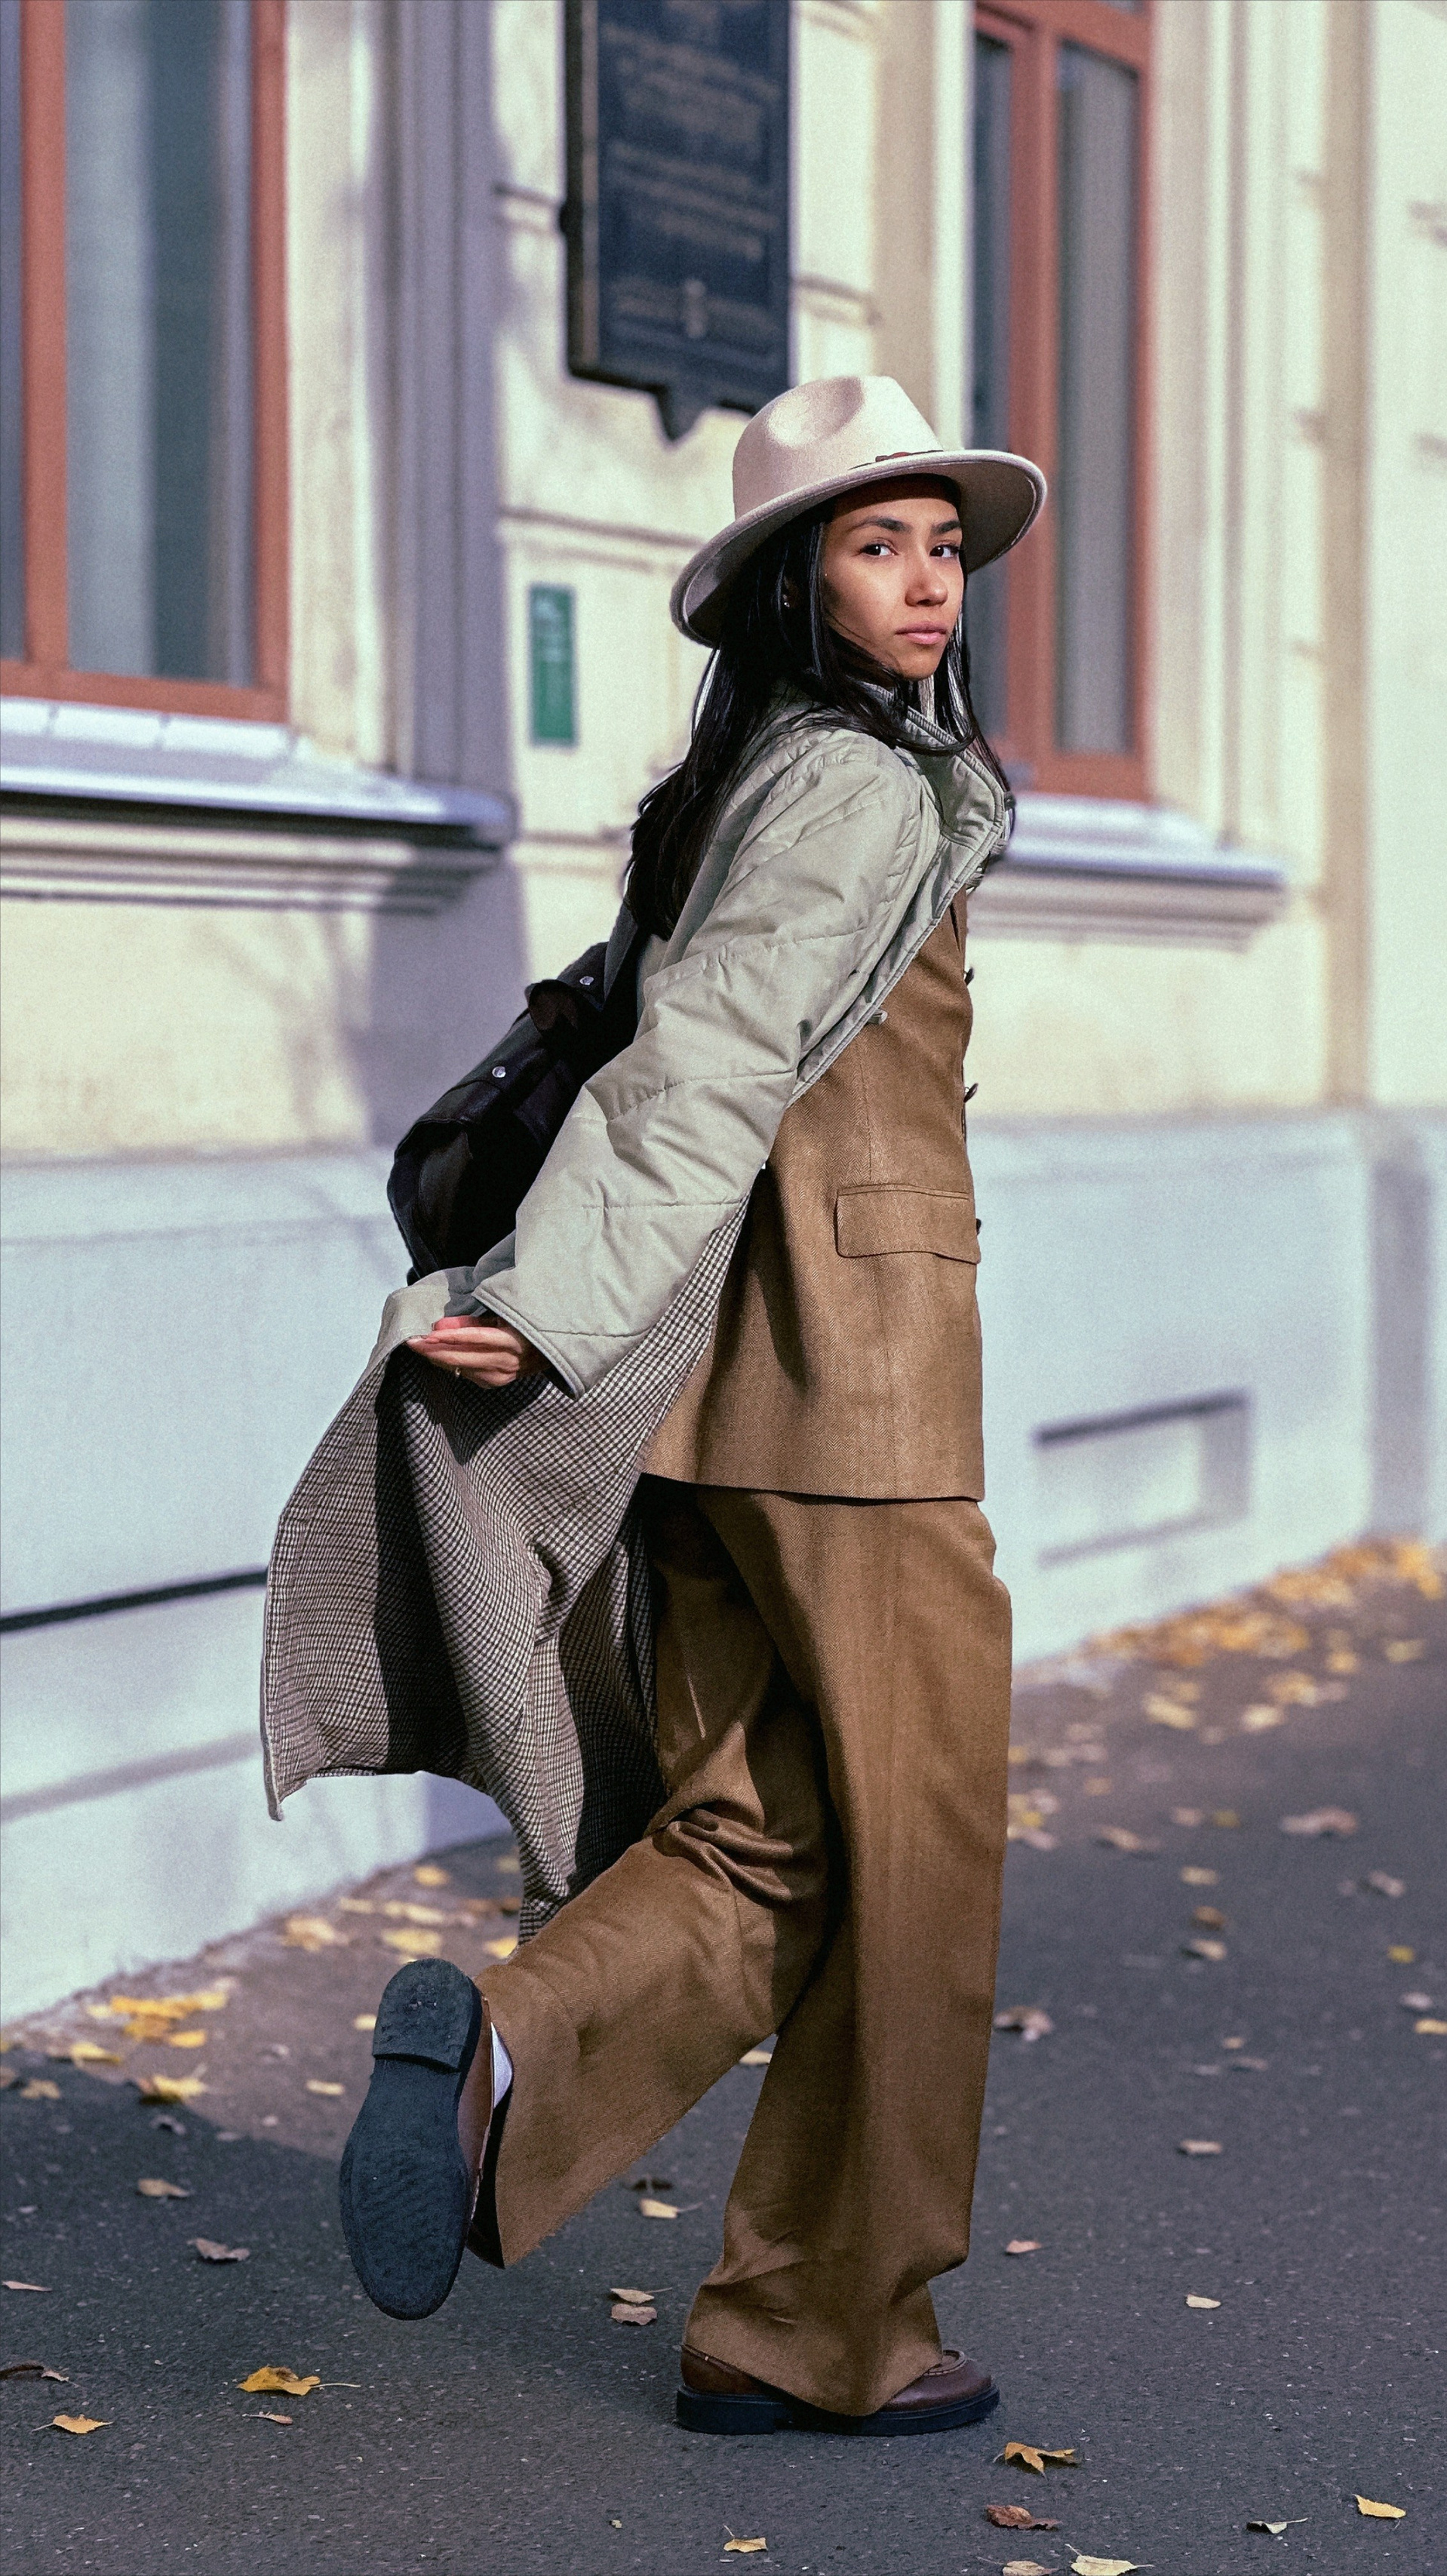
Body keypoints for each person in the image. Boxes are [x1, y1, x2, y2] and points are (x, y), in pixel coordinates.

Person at [267, 377, 1046, 2437]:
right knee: (925, 1855)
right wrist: (545, 1300)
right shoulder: (864, 786)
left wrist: (573, 1314)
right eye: (878, 545)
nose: (927, 583)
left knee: (761, 1831)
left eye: (943, 546)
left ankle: (503, 2071)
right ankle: (828, 2330)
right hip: (856, 1398)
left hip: (712, 1401)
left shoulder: (757, 778)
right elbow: (701, 1059)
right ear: (795, 583)